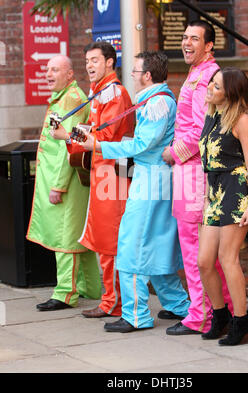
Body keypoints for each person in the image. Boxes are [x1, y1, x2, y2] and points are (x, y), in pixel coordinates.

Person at [78, 51, 191, 333]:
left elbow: (142, 145)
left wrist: (99, 146)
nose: (132, 74)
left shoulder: (155, 104)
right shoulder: (156, 100)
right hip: (156, 179)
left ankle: (136, 315)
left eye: (136, 70)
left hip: (150, 181)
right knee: (158, 246)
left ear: (148, 75)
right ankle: (180, 305)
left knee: (130, 247)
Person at [52, 42, 134, 318]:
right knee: (105, 240)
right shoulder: (101, 91)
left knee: (110, 241)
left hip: (114, 176)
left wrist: (68, 136)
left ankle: (114, 302)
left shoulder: (114, 92)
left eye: (95, 60)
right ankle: (112, 300)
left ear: (110, 62)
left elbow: (106, 139)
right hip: (105, 174)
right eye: (87, 60)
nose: (89, 65)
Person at [162, 20, 233, 335]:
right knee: (205, 251)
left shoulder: (206, 76)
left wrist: (172, 153)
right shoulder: (200, 73)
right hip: (194, 172)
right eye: (184, 37)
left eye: (195, 38)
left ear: (209, 46)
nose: (187, 43)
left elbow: (201, 129)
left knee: (194, 248)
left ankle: (201, 316)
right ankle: (223, 311)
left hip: (194, 172)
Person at [27, 55, 102, 311]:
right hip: (68, 178)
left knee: (64, 237)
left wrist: (59, 185)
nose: (48, 74)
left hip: (67, 180)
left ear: (70, 74)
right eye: (47, 69)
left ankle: (64, 293)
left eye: (55, 69)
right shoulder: (66, 96)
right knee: (79, 237)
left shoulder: (72, 98)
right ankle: (90, 288)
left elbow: (69, 146)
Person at [198, 67, 248, 345]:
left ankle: (241, 321)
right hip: (215, 192)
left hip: (236, 191)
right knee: (204, 261)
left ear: (231, 93)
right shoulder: (212, 116)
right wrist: (206, 197)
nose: (211, 87)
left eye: (218, 86)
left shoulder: (242, 120)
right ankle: (220, 315)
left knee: (228, 258)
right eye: (212, 82)